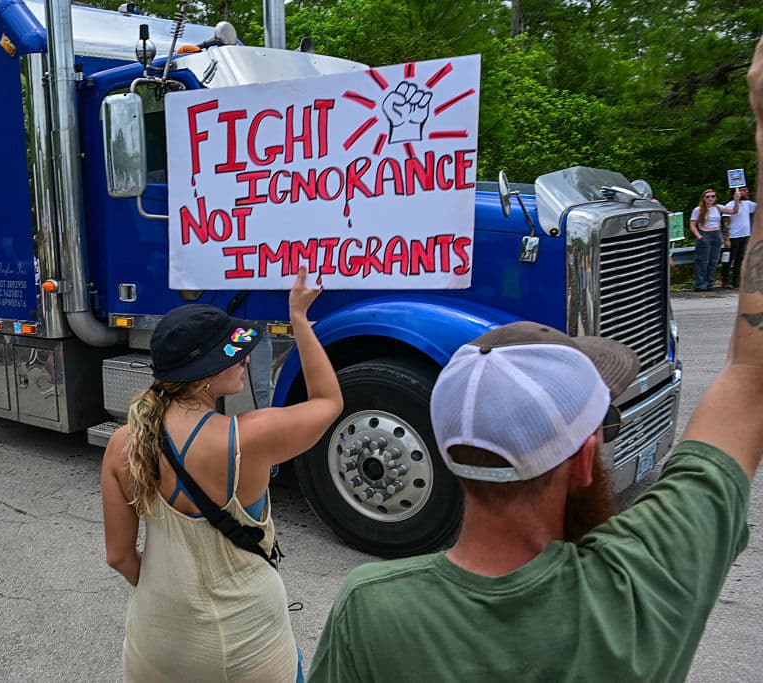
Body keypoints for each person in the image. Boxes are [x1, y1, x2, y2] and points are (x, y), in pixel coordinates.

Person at [308, 33, 763, 681]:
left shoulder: (368, 612)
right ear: (583, 459)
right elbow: (750, 378)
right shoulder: (639, 590)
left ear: (447, 452)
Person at [101, 266, 342, 682]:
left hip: (156, 646)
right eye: (233, 354)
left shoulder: (122, 443)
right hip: (248, 648)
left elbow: (119, 556)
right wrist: (299, 318)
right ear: (206, 372)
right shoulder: (251, 437)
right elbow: (328, 401)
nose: (244, 358)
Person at [691, 186, 741, 291]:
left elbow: (734, 211)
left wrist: (736, 200)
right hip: (704, 233)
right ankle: (701, 284)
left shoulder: (718, 208)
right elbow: (692, 224)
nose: (710, 199)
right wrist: (699, 236)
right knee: (702, 261)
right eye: (708, 197)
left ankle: (710, 283)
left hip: (716, 234)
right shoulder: (698, 210)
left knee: (713, 260)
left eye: (713, 196)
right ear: (703, 198)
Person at [721, 185, 756, 289]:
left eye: (747, 190)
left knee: (740, 258)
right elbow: (726, 222)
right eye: (744, 190)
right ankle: (725, 279)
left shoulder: (747, 204)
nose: (746, 192)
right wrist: (726, 238)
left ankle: (736, 280)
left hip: (745, 235)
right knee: (729, 258)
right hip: (734, 236)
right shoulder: (730, 205)